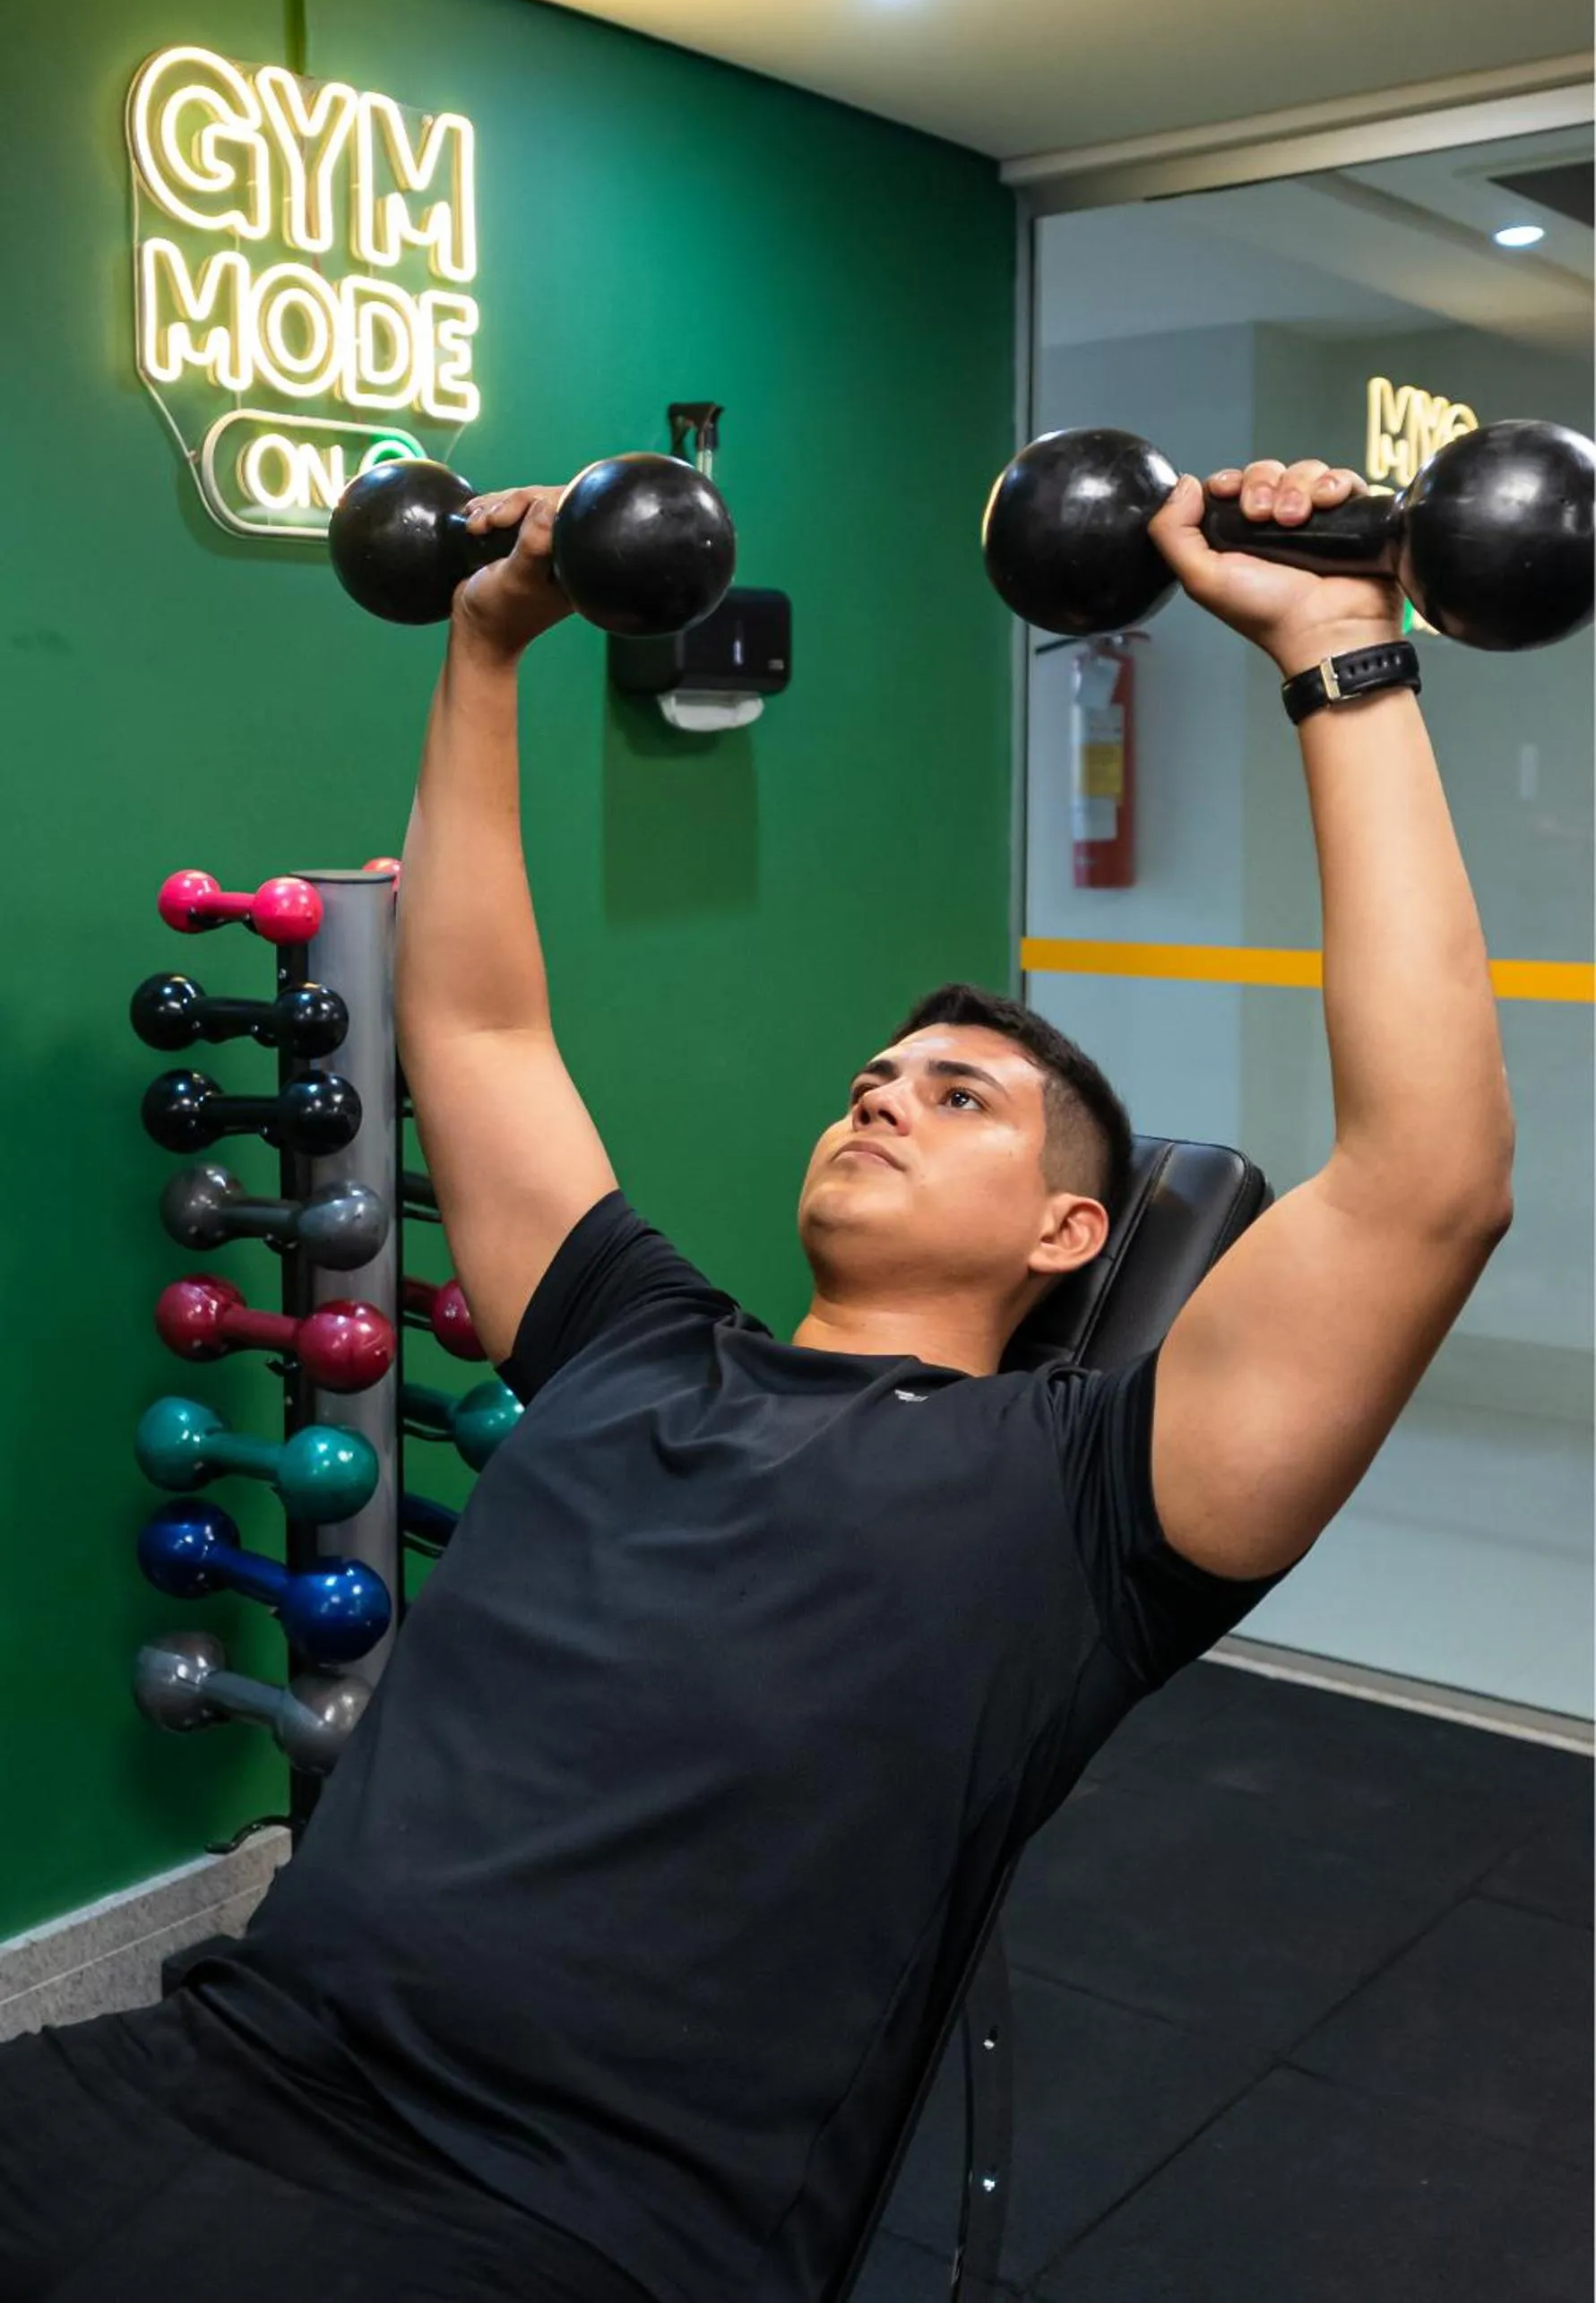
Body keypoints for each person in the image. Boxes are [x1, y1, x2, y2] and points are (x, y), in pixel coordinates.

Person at [0, 458, 1514, 2303]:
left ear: (1067, 1232)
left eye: (959, 1097)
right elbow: (473, 1024)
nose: (882, 1094)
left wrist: (1341, 646)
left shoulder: (1093, 1501)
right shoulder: (633, 1336)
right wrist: (485, 644)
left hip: (556, 2229)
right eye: (875, 1076)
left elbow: (1427, 1186)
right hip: (221, 2062)